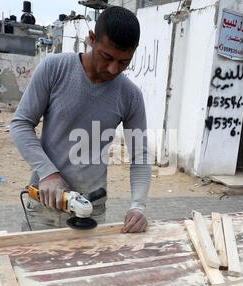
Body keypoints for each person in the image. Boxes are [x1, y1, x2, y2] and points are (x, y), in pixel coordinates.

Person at [10, 6, 151, 233]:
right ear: (92, 39)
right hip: (43, 206)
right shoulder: (54, 69)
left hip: (91, 210)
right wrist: (48, 173)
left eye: (124, 62)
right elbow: (20, 124)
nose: (114, 69)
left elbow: (140, 155)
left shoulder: (130, 95)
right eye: (107, 57)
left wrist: (138, 207)